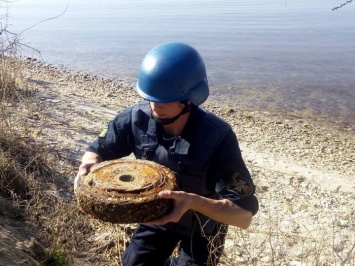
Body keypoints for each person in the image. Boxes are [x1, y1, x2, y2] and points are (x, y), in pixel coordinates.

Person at [75, 42, 259, 266]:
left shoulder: (217, 137)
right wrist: (87, 165)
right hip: (157, 214)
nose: (155, 105)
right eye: (151, 97)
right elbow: (97, 150)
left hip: (204, 224)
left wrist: (191, 202)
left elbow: (243, 216)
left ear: (189, 98)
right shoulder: (136, 119)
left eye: (165, 99)